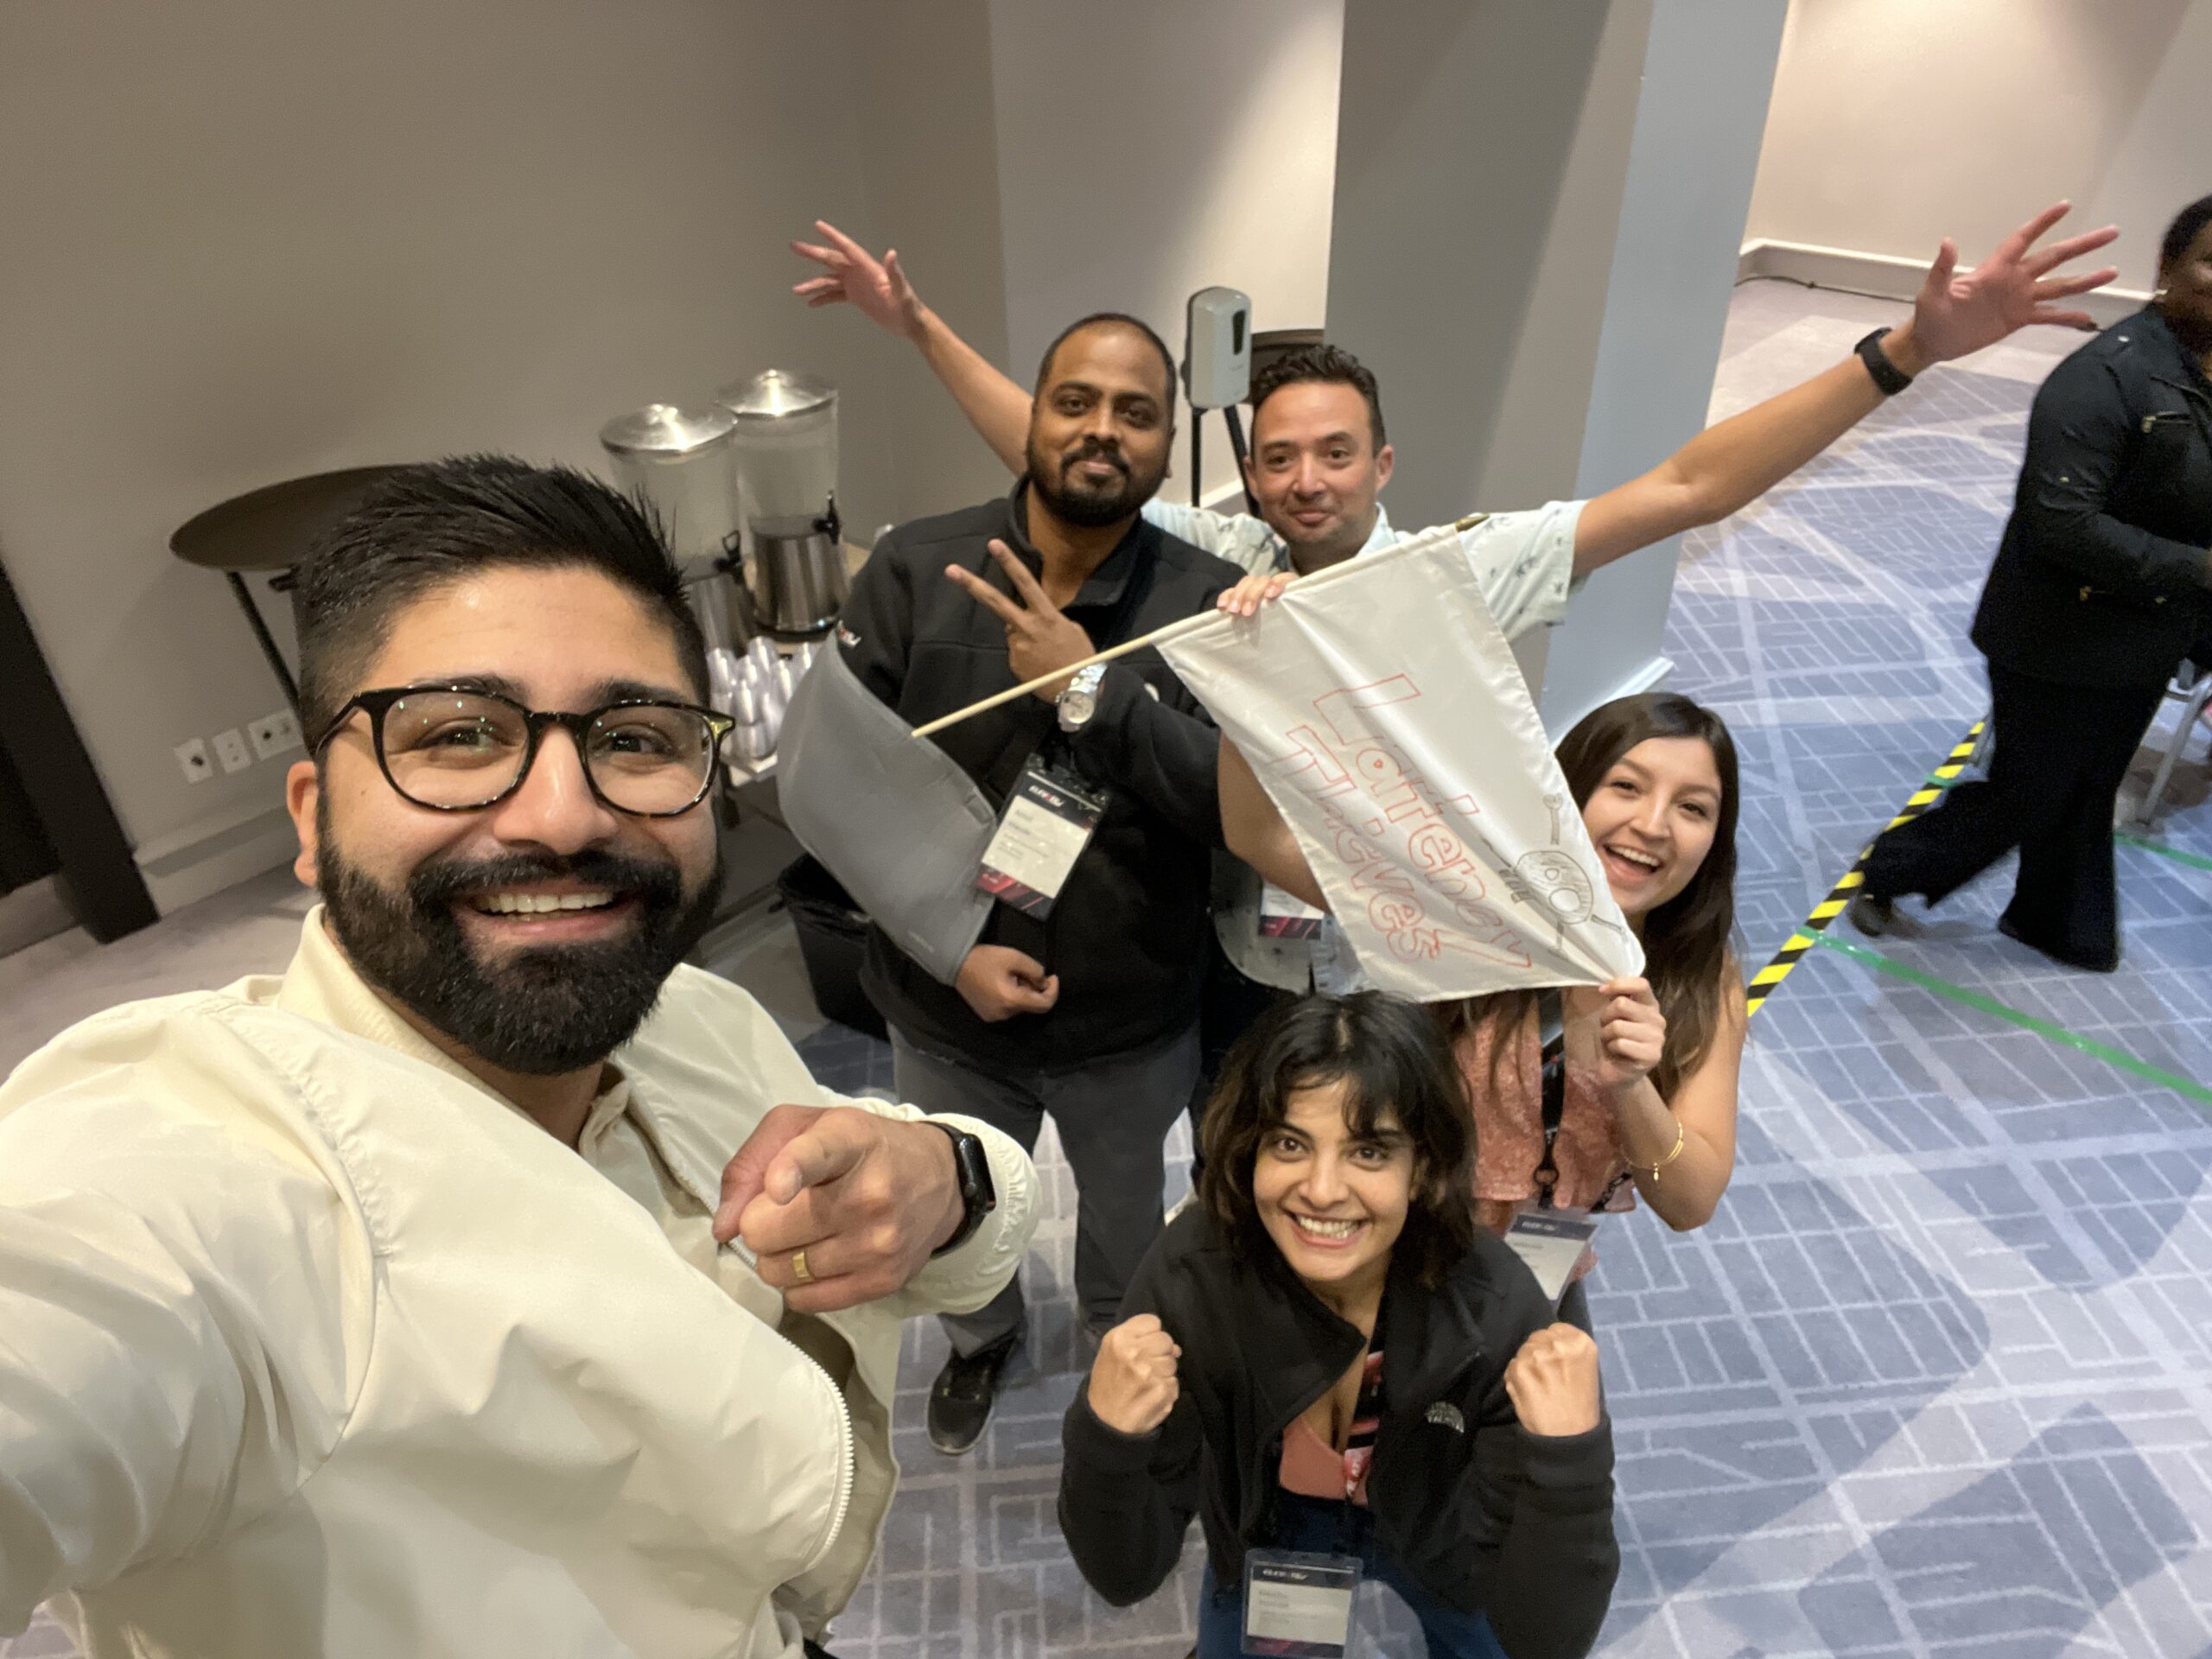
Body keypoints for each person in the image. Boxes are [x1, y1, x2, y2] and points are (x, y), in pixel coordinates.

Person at [0, 458, 1038, 1659]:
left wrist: (951, 1180)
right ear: (310, 816)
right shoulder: (191, 1176)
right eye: (456, 734)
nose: (563, 816)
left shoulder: (702, 1019)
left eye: (638, 736)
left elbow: (929, 1200)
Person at [791, 203, 2120, 1124]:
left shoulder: (1466, 568)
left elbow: (1688, 486)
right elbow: (1069, 444)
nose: (1304, 482)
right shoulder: (1213, 553)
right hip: (1239, 956)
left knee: (1396, 1154)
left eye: (1335, 453)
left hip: (1403, 961)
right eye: (1277, 456)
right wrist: (917, 327)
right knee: (1243, 1146)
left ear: (1384, 461)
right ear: (1250, 470)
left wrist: (1905, 352)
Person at [835, 313, 1246, 1453]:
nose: (1101, 431)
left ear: (1168, 444)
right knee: (958, 1212)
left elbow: (1234, 806)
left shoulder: (1217, 606)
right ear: (1033, 418)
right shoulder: (918, 567)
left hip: (1131, 1016)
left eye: (1136, 411)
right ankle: (981, 1344)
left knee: (1123, 1223)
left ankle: (1117, 1346)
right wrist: (941, 946)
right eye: (1074, 401)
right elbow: (841, 788)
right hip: (944, 1006)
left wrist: (1095, 695)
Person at [1061, 993, 1617, 1659]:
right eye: (1291, 1143)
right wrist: (1105, 1440)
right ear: (1248, 1151)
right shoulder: (1193, 1277)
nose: (1322, 1189)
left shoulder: (1495, 1309)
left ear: (1425, 1171)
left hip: (1436, 1521)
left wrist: (1570, 1466)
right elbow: (1125, 1576)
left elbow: (1548, 1644)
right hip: (1270, 1523)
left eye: (1370, 1152)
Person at [1220, 692, 1744, 1328]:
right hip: (1377, 1249)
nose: (1654, 824)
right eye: (1626, 786)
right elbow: (1258, 835)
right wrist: (1241, 679)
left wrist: (1631, 1089)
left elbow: (1690, 1202)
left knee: (1553, 1418)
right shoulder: (1471, 904)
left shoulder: (1697, 979)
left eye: (1693, 808)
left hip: (1527, 1285)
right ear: (1565, 793)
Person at [1852, 194, 2212, 970]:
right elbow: (2063, 524)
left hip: (2150, 627)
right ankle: (1889, 870)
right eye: (2211, 263)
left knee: (2088, 782)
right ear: (2168, 270)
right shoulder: (2104, 379)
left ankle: (2057, 920)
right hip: (2057, 634)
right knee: (2029, 789)